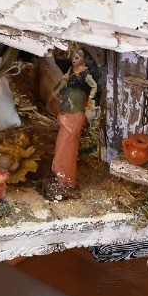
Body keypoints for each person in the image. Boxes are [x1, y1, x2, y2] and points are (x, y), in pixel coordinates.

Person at [50, 49, 98, 194]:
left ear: (82, 59)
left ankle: (67, 180)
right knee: (61, 146)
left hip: (76, 102)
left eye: (77, 57)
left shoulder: (85, 74)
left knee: (68, 147)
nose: (74, 59)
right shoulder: (71, 70)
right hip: (69, 101)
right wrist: (58, 89)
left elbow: (94, 86)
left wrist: (90, 98)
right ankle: (59, 176)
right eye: (73, 57)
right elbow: (64, 79)